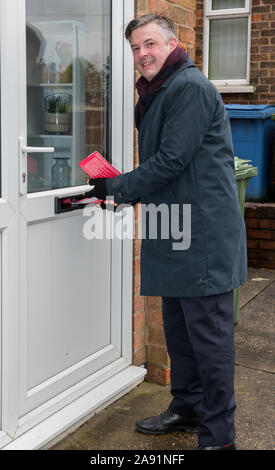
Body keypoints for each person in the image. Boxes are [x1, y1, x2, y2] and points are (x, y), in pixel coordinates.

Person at [86, 14, 247, 450]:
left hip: (203, 237)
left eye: (150, 44)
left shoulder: (190, 89)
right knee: (180, 332)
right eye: (136, 48)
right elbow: (169, 164)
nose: (142, 55)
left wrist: (116, 187)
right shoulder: (160, 91)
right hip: (177, 229)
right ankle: (188, 407)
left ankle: (219, 436)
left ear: (173, 44)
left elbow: (171, 161)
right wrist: (119, 185)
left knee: (210, 340)